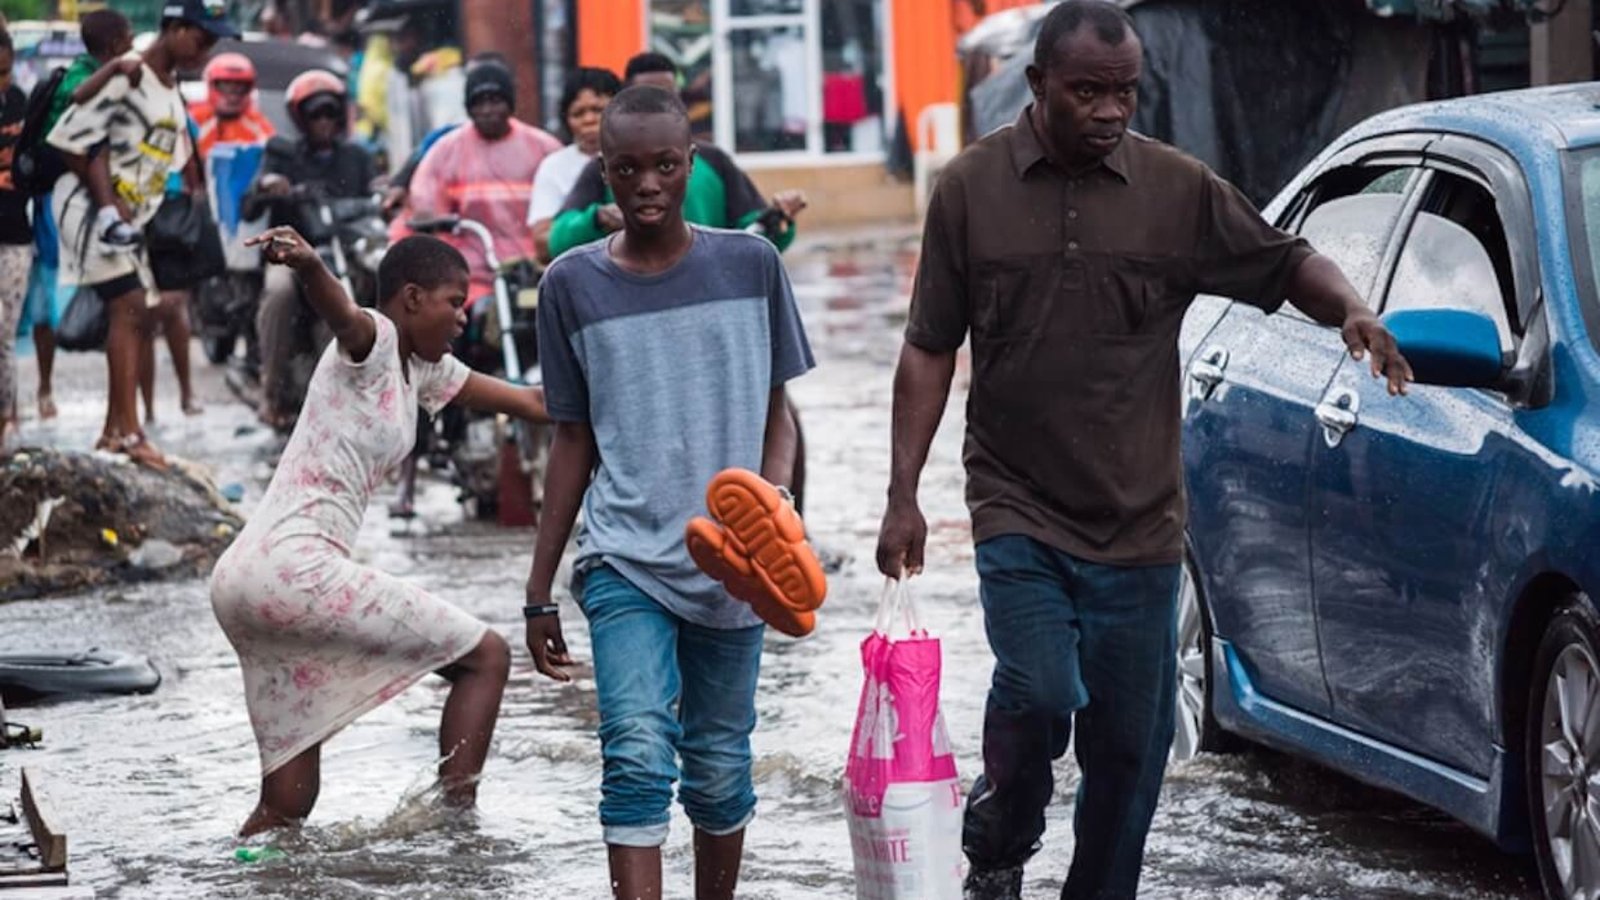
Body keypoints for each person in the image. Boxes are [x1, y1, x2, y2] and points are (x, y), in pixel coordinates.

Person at [872, 4, 1414, 899]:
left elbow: (1283, 261)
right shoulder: (969, 189)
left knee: (1130, 755)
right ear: (1038, 84)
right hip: (1017, 506)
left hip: (1141, 523)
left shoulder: (1176, 189)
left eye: (1124, 92)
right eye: (1087, 91)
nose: (1109, 110)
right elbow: (930, 344)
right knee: (1039, 690)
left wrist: (1352, 307)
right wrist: (903, 493)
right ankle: (999, 840)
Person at [526, 85, 814, 900]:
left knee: (720, 766)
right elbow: (571, 438)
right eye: (625, 169)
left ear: (691, 166)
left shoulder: (752, 265)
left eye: (663, 166)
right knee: (636, 749)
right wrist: (538, 588)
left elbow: (777, 414)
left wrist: (774, 509)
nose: (646, 185)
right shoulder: (569, 285)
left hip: (736, 564)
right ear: (602, 174)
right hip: (623, 557)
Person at [210, 227, 549, 836]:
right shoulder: (375, 339)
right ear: (412, 297)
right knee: (487, 657)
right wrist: (311, 265)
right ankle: (458, 834)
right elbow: (342, 313)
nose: (463, 315)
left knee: (285, 808)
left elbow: (530, 401)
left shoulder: (422, 370)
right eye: (455, 300)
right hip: (294, 569)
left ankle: (237, 878)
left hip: (243, 580)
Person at [45, 0, 236, 468]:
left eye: (212, 42)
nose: (205, 49)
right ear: (171, 28)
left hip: (127, 222)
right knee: (130, 307)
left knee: (136, 312)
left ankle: (115, 429)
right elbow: (74, 142)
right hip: (88, 211)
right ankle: (130, 434)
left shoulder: (170, 87)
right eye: (199, 37)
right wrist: (110, 208)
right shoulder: (126, 76)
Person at [545, 52, 807, 261]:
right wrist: (597, 219)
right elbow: (558, 241)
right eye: (647, 96)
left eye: (668, 165)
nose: (650, 185)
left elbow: (756, 237)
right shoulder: (609, 164)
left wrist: (779, 217)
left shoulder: (714, 161)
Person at [243, 69, 378, 431]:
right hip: (291, 254)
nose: (323, 121)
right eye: (315, 114)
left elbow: (374, 197)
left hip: (341, 252)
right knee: (280, 292)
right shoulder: (282, 153)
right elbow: (252, 200)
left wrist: (389, 195)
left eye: (330, 113)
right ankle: (269, 394)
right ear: (301, 118)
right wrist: (269, 185)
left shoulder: (357, 157)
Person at [24, 8, 135, 423]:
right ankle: (46, 387)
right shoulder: (85, 70)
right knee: (46, 307)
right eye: (126, 40)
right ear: (112, 46)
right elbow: (76, 98)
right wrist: (114, 71)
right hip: (64, 173)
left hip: (75, 186)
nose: (130, 48)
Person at [407, 58, 562, 301]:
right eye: (479, 102)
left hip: (536, 268)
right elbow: (425, 202)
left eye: (496, 100)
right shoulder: (446, 150)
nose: (488, 110)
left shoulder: (543, 147)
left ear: (510, 104)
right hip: (473, 275)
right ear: (468, 108)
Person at [527, 66, 621, 264]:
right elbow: (542, 244)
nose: (589, 120)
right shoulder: (554, 167)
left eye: (598, 110)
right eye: (578, 113)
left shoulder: (641, 158)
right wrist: (594, 222)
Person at [0, 30, 30, 450]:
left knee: (3, 335)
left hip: (14, 235)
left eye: (5, 72)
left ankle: (7, 417)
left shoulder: (22, 102)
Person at [190, 52, 275, 157]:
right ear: (210, 85)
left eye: (241, 88)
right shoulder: (193, 118)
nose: (233, 97)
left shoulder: (258, 124)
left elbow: (272, 155)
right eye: (226, 86)